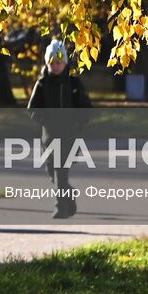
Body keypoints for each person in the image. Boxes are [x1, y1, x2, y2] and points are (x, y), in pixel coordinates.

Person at [27, 39, 91, 218]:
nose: (55, 66)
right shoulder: (42, 84)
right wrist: (43, 120)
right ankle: (68, 197)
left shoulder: (73, 84)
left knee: (60, 171)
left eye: (59, 63)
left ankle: (61, 207)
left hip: (69, 136)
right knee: (52, 173)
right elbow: (33, 108)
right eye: (52, 63)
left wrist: (78, 123)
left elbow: (85, 107)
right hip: (49, 137)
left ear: (65, 63)